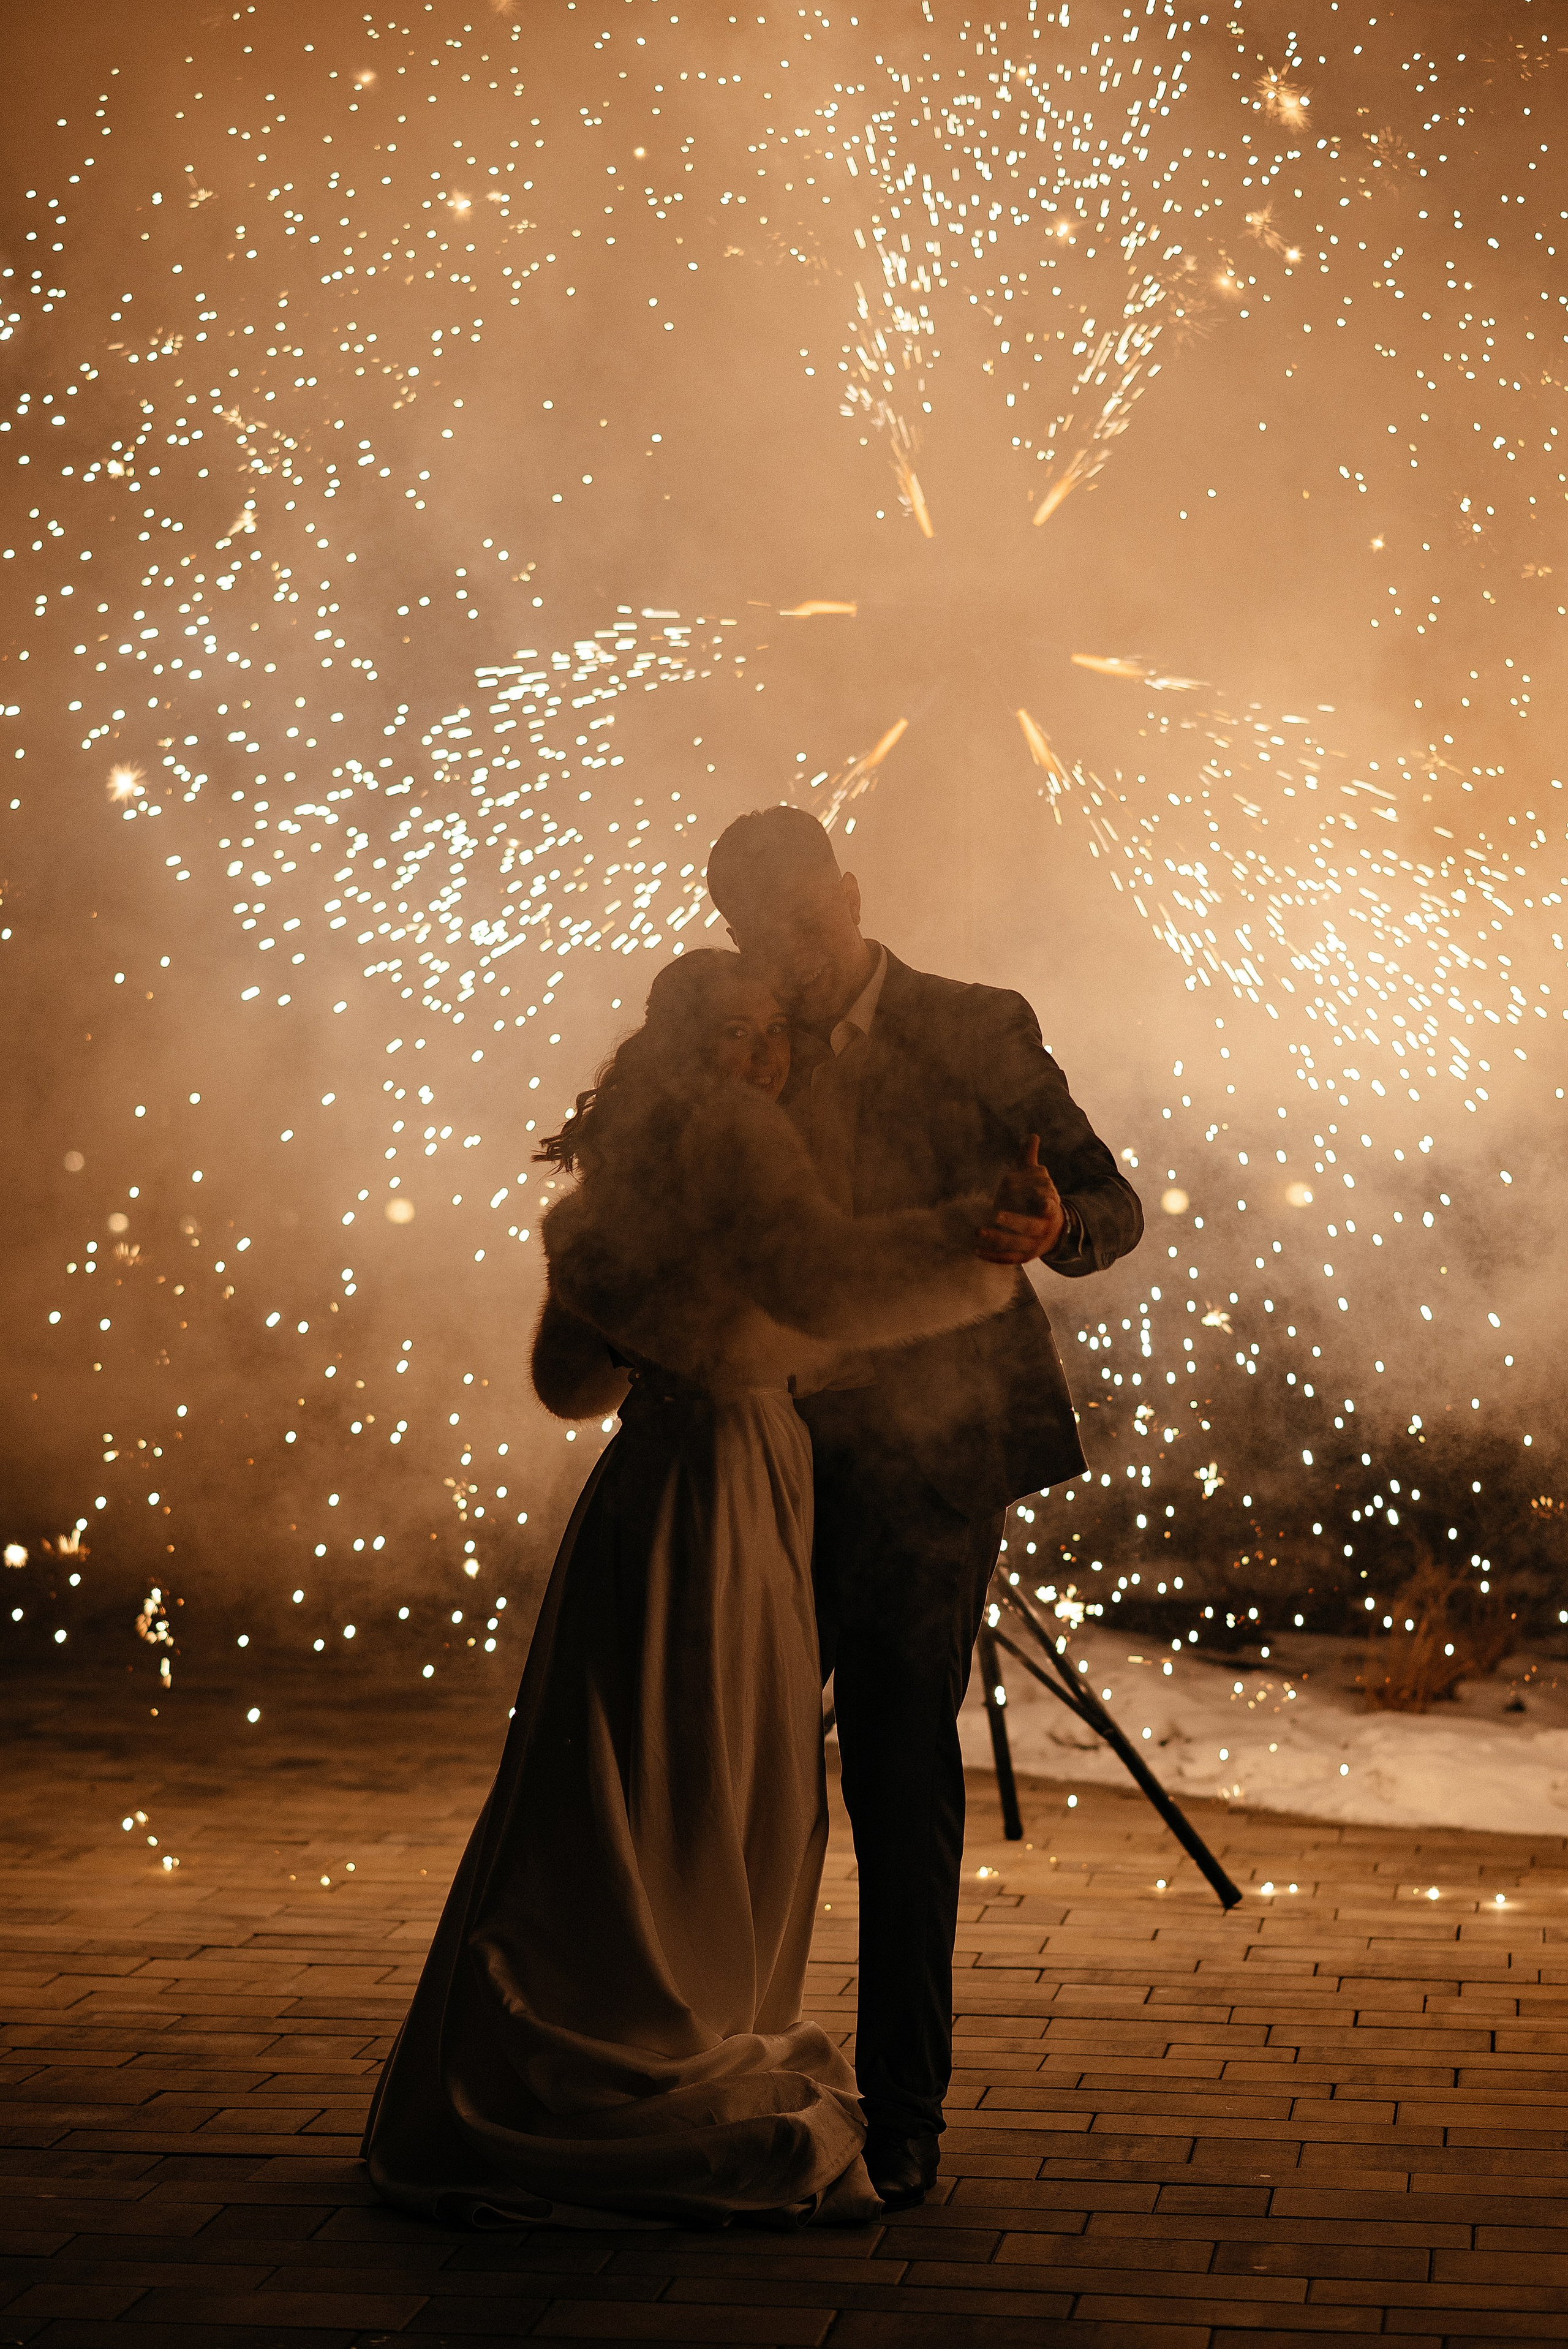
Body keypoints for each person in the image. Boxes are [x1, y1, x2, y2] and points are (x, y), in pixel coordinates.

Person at [361, 949, 1020, 2228]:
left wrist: (652, 1309)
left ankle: (630, 1997)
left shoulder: (625, 1174)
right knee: (707, 1752)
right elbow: (819, 1279)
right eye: (731, 1029)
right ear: (683, 1048)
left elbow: (571, 1385)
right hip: (728, 1475)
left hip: (654, 1480)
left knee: (632, 1753)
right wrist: (968, 1244)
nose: (759, 1051)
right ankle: (669, 2019)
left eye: (768, 1026)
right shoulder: (734, 1135)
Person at [707, 805, 1143, 2210]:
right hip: (763, 1442)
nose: (788, 957)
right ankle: (709, 2072)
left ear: (850, 892)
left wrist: (1046, 1228)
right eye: (756, 936)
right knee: (736, 1771)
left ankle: (903, 2116)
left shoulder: (972, 1023)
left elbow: (1107, 1200)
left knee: (895, 1772)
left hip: (926, 1459)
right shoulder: (736, 1037)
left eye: (805, 926)